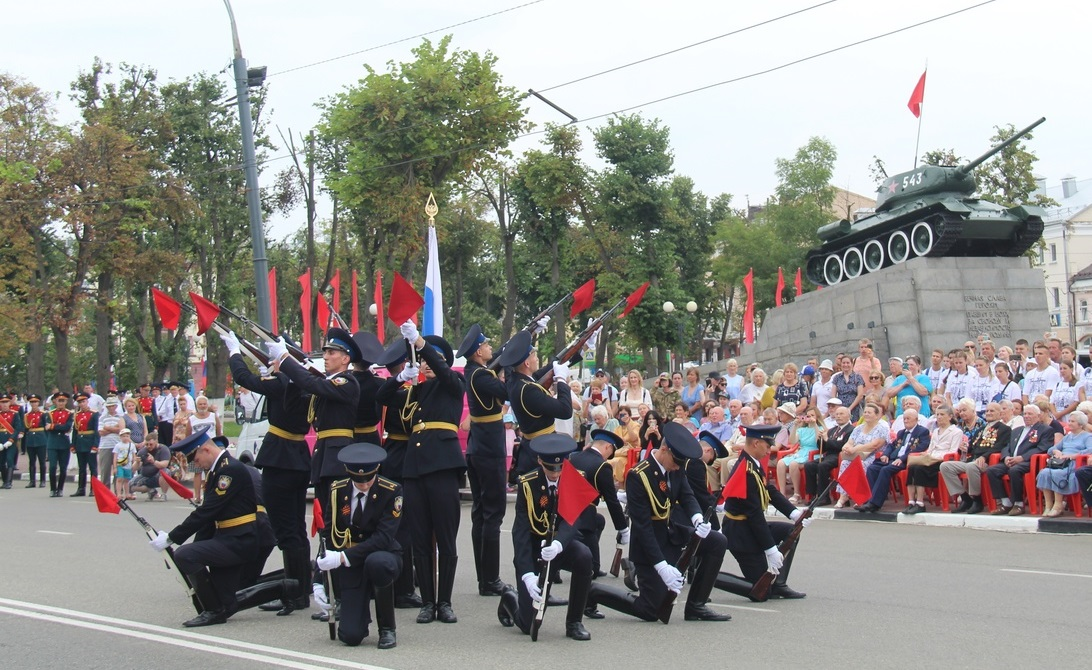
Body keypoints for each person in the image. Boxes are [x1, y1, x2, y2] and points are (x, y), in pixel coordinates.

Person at [583, 422, 728, 622]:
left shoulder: (676, 466)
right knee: (651, 610)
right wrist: (661, 567)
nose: (678, 466)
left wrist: (696, 518)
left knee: (717, 542)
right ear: (664, 449)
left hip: (672, 533)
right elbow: (642, 527)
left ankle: (696, 605)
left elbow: (686, 495)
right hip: (650, 545)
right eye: (676, 461)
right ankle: (594, 591)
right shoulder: (638, 475)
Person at [377, 322, 465, 625]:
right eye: (422, 359)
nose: (425, 364)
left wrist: (421, 343)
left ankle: (445, 601)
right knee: (420, 538)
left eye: (430, 359)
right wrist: (399, 378)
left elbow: (443, 370)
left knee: (445, 538)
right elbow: (382, 398)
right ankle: (428, 601)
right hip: (414, 468)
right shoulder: (413, 392)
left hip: (442, 465)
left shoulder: (452, 385)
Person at [222, 330, 315, 617]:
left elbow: (244, 379)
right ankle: (301, 589)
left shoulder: (282, 382)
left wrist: (235, 351)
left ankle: (293, 594)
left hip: (280, 459)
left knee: (285, 530)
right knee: (296, 528)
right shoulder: (301, 380)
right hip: (297, 457)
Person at [148, 428, 262, 628]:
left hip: (239, 541)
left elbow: (207, 512)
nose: (196, 466)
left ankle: (213, 612)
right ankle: (218, 607)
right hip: (227, 538)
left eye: (196, 460)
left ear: (206, 450)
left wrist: (172, 539)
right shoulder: (218, 471)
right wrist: (191, 548)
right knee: (227, 601)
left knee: (186, 556)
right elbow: (210, 519)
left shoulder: (229, 470)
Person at [496, 433, 594, 640]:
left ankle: (574, 622)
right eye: (550, 468)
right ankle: (509, 596)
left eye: (560, 468)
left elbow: (573, 518)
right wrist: (527, 574)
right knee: (527, 624)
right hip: (533, 549)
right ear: (540, 461)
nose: (555, 474)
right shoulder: (527, 484)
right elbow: (520, 530)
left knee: (584, 556)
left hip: (560, 545)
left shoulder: (574, 477)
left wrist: (559, 543)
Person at [269, 327, 361, 528]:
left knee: (340, 517)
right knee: (325, 517)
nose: (326, 357)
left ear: (345, 359)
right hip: (323, 458)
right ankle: (327, 555)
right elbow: (293, 407)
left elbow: (314, 384)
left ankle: (341, 557)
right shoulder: (326, 384)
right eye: (325, 352)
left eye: (331, 353)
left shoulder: (346, 382)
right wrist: (293, 378)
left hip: (338, 458)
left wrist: (286, 360)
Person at [314, 443, 402, 649]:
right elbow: (327, 534)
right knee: (350, 636)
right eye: (358, 481)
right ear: (348, 473)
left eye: (368, 480)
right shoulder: (337, 490)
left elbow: (383, 537)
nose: (363, 485)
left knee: (377, 563)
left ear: (376, 471)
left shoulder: (392, 491)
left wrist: (343, 557)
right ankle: (358, 619)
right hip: (351, 564)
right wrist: (318, 578)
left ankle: (387, 629)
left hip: (382, 554)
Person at [714, 423, 811, 601]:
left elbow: (770, 491)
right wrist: (771, 549)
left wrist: (794, 514)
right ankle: (709, 578)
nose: (769, 450)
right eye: (767, 446)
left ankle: (778, 584)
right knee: (761, 592)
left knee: (791, 532)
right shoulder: (745, 470)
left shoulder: (753, 463)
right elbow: (754, 515)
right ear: (756, 443)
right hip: (741, 534)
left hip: (750, 528)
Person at [457, 323, 512, 598]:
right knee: (493, 513)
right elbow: (507, 391)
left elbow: (499, 356)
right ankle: (490, 579)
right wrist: (514, 362)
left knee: (481, 513)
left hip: (479, 447)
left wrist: (526, 336)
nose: (491, 348)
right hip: (489, 451)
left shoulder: (474, 371)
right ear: (479, 352)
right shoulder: (481, 376)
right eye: (487, 345)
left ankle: (485, 576)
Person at [375, 338, 423, 609]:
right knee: (403, 526)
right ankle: (403, 587)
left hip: (395, 454)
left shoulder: (398, 387)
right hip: (403, 456)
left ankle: (404, 580)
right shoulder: (401, 390)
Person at [501, 330, 573, 476]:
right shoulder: (528, 390)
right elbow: (565, 410)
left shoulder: (516, 380)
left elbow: (547, 369)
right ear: (527, 363)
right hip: (542, 450)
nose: (536, 358)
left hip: (533, 446)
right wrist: (561, 380)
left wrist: (580, 349)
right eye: (533, 355)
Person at [569, 429, 629, 583]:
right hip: (584, 516)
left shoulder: (574, 458)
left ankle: (587, 559)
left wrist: (617, 495)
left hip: (567, 510)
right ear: (608, 447)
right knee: (591, 571)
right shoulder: (602, 466)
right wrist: (623, 528)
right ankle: (587, 564)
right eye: (611, 452)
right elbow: (611, 501)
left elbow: (588, 485)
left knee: (599, 520)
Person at [985, 404, 1056, 516]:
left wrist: (1022, 458)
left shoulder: (1045, 430)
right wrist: (1006, 457)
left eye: (1030, 414)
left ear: (1038, 416)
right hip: (1012, 460)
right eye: (1025, 414)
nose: (1026, 416)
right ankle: (1005, 502)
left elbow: (1043, 448)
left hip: (1029, 462)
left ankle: (1018, 503)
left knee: (1014, 471)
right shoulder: (1017, 430)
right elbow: (1007, 446)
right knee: (991, 470)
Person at [855, 409, 929, 513]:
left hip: (906, 460)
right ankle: (868, 500)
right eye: (904, 419)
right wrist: (886, 454)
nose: (906, 421)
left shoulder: (922, 432)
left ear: (916, 419)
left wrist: (902, 459)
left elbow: (921, 448)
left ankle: (875, 504)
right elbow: (891, 445)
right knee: (873, 468)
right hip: (894, 458)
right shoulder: (902, 432)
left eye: (908, 419)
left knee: (886, 470)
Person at [903, 404, 963, 512]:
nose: (939, 417)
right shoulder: (935, 431)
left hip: (943, 461)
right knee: (912, 467)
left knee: (919, 469)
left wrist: (935, 457)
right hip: (930, 458)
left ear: (950, 416)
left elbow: (953, 451)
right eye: (937, 415)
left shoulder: (956, 432)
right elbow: (930, 448)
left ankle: (920, 503)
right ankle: (911, 501)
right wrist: (926, 454)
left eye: (942, 414)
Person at [1036, 412, 1092, 517]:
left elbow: (1090, 450)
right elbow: (1051, 449)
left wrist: (1072, 455)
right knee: (1045, 472)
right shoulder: (1067, 437)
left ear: (1080, 424)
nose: (1069, 423)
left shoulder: (1087, 436)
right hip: (1061, 463)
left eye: (1072, 421)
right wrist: (1056, 452)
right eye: (1069, 421)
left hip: (1074, 464)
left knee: (1057, 474)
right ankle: (1048, 506)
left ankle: (1058, 505)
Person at [833, 402, 888, 508]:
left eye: (869, 412)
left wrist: (855, 449)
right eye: (865, 412)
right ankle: (843, 496)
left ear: (877, 415)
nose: (866, 414)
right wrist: (846, 447)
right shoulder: (858, 428)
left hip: (873, 456)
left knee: (861, 464)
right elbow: (850, 442)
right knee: (845, 462)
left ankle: (860, 497)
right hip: (855, 454)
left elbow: (875, 445)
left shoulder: (882, 428)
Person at [804, 406, 853, 505]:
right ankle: (814, 495)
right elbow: (823, 448)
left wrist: (827, 440)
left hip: (839, 456)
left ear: (848, 416)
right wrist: (820, 440)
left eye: (841, 414)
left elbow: (843, 445)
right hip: (828, 455)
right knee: (809, 465)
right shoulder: (832, 430)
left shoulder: (851, 430)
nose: (838, 416)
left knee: (822, 466)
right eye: (837, 414)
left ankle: (824, 497)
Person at [779, 406, 825, 504]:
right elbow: (792, 441)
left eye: (812, 415)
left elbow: (819, 441)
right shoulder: (802, 429)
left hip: (814, 452)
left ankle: (797, 494)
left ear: (817, 417)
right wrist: (795, 426)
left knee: (793, 464)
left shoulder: (820, 428)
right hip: (802, 452)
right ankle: (782, 493)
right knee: (781, 463)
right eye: (808, 416)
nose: (810, 418)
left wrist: (815, 425)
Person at [189, 396, 222, 504]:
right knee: (197, 473)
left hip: (210, 449)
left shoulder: (213, 416)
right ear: (196, 405)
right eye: (200, 404)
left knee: (211, 473)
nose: (202, 406)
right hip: (197, 449)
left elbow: (218, 432)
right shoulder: (192, 419)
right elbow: (188, 435)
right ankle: (197, 496)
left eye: (204, 404)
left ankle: (208, 495)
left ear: (207, 405)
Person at [70, 392, 100, 497]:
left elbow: (97, 431)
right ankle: (81, 488)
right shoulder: (77, 415)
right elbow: (75, 430)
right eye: (80, 402)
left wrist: (95, 445)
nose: (82, 404)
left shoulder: (94, 414)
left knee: (93, 467)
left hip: (90, 441)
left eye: (83, 401)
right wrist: (73, 444)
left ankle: (94, 489)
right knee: (82, 468)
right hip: (80, 442)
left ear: (87, 401)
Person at [44, 391, 73, 497]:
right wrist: (55, 427)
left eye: (63, 401)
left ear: (66, 401)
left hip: (64, 444)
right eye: (59, 401)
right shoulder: (50, 414)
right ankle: (53, 488)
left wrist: (53, 426)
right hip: (52, 443)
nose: (61, 403)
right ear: (55, 401)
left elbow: (67, 427)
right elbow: (47, 427)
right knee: (52, 467)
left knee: (63, 467)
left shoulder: (69, 413)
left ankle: (60, 488)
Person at [131, 434, 170, 500]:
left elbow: (165, 464)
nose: (148, 446)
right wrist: (137, 462)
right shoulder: (143, 451)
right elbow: (134, 468)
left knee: (165, 472)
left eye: (151, 444)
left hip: (158, 475)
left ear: (156, 442)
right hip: (146, 476)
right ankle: (152, 491)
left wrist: (154, 462)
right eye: (146, 444)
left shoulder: (163, 449)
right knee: (131, 485)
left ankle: (164, 494)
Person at [22, 394, 47, 488]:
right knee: (32, 461)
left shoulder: (43, 414)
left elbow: (46, 428)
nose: (33, 404)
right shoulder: (27, 415)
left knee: (42, 461)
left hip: (41, 438)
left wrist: (46, 439)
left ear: (38, 403)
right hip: (30, 440)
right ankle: (32, 481)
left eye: (35, 402)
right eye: (31, 402)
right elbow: (26, 428)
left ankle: (43, 480)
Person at [0, 393, 23, 489]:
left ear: (10, 403)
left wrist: (11, 440)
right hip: (1, 440)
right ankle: (5, 481)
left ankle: (9, 482)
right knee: (1, 462)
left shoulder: (15, 414)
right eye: (2, 402)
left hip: (11, 441)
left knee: (10, 460)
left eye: (6, 402)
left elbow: (17, 428)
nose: (4, 404)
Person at [832, 357, 865, 422]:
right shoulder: (837, 377)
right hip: (840, 408)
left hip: (854, 409)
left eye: (848, 363)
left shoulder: (858, 377)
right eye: (843, 363)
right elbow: (833, 395)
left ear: (852, 364)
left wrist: (849, 409)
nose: (845, 365)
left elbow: (860, 395)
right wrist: (838, 408)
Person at [113, 427, 138, 500]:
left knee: (127, 480)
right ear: (120, 437)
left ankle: (127, 493)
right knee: (119, 479)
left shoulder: (132, 445)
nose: (125, 438)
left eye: (127, 436)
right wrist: (114, 467)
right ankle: (119, 494)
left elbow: (134, 456)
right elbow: (115, 457)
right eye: (123, 436)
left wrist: (134, 465)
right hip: (120, 464)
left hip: (128, 465)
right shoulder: (118, 445)